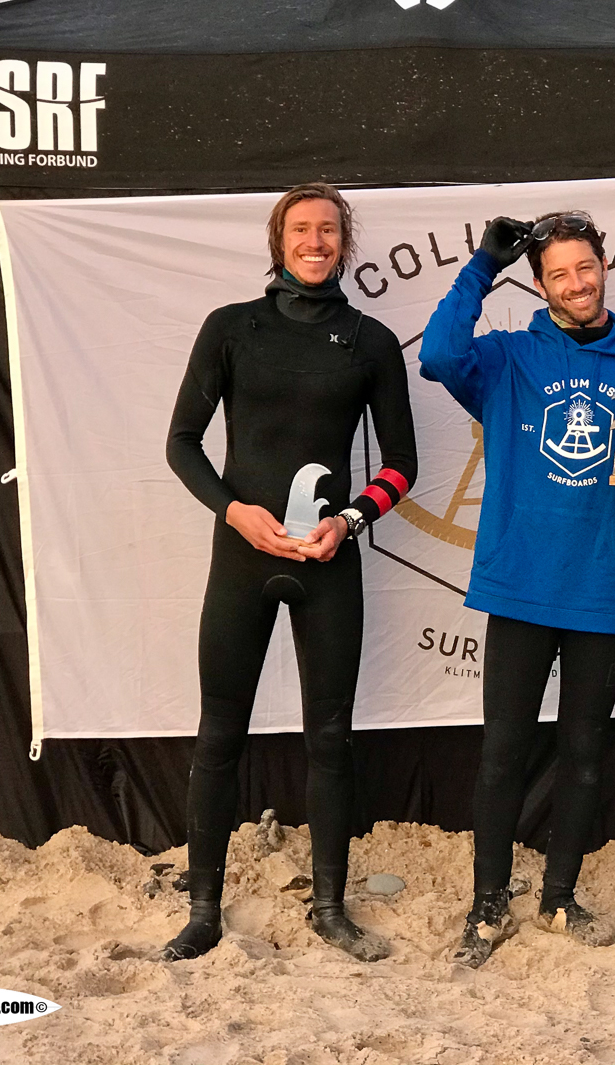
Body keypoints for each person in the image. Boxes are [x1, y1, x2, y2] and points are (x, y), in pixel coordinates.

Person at [419, 211, 615, 967]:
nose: (577, 284)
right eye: (559, 274)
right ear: (539, 285)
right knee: (503, 753)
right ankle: (487, 903)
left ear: (603, 266)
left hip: (601, 585)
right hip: (519, 583)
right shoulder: (508, 359)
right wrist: (482, 267)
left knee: (583, 755)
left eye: (585, 267)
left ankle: (559, 898)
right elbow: (438, 354)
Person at [162, 182, 418, 961]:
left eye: (329, 230)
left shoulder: (370, 341)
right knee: (219, 734)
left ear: (345, 243)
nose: (315, 242)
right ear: (278, 242)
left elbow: (403, 464)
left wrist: (351, 520)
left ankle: (331, 909)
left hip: (326, 562)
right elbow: (181, 442)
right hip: (243, 557)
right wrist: (234, 511)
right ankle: (203, 910)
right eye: (301, 229)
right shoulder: (232, 328)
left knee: (331, 739)